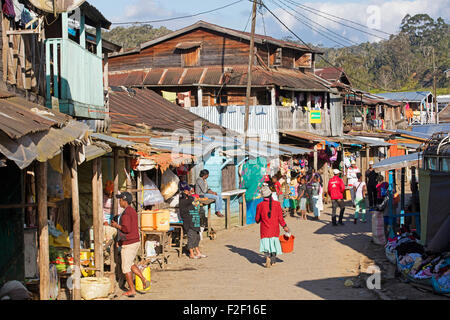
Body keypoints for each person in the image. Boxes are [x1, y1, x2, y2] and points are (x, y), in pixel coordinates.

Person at [110, 192, 149, 297]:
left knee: (125, 268)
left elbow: (126, 229)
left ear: (124, 200)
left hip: (130, 243)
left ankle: (132, 290)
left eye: (120, 200)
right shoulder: (130, 211)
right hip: (134, 241)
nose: (119, 202)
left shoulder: (127, 213)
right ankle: (143, 279)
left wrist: (116, 225)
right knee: (130, 263)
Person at [255, 185, 290, 268]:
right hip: (274, 230)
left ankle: (267, 257)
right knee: (273, 244)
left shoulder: (260, 205)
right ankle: (273, 261)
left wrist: (260, 219)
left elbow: (257, 219)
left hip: (265, 230)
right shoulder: (277, 204)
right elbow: (280, 218)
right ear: (271, 194)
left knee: (266, 245)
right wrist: (285, 226)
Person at [179, 185, 207, 259]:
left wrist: (189, 195)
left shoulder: (189, 199)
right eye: (188, 191)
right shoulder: (183, 201)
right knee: (191, 237)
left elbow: (192, 198)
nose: (190, 192)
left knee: (197, 237)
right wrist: (187, 194)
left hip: (195, 221)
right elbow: (190, 199)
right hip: (189, 223)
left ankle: (198, 252)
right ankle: (191, 254)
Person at [103, 180, 117, 246]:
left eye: (111, 191)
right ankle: (106, 247)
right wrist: (104, 221)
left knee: (114, 230)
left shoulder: (117, 194)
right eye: (108, 191)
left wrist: (115, 219)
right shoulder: (102, 195)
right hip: (105, 215)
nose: (110, 193)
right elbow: (100, 209)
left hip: (115, 214)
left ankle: (116, 247)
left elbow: (120, 208)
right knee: (105, 231)